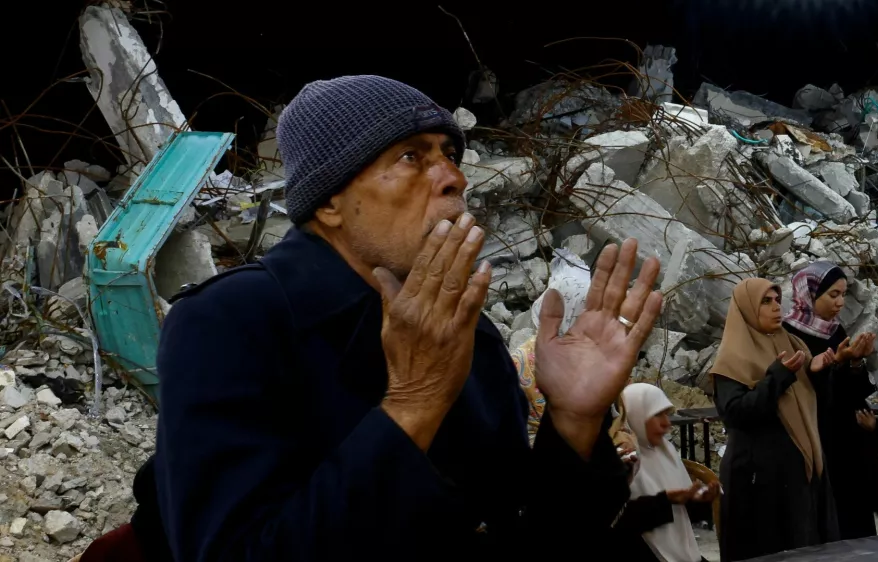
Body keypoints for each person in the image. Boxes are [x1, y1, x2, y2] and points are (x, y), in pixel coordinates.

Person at [142, 75, 666, 561]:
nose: (454, 177)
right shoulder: (232, 322)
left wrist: (573, 421)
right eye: (412, 157)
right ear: (330, 201)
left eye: (450, 155)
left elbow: (538, 537)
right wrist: (413, 405)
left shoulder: (471, 334)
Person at [710, 278, 838, 562]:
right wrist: (777, 377)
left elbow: (815, 406)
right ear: (746, 310)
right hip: (758, 483)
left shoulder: (793, 345)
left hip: (800, 476)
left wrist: (817, 373)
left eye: (777, 300)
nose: (775, 307)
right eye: (765, 302)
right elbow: (736, 414)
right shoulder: (733, 358)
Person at [782, 262, 878, 539]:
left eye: (843, 295)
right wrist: (833, 364)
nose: (840, 303)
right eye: (832, 295)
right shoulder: (788, 335)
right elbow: (796, 389)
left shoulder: (835, 332)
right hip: (815, 439)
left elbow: (849, 391)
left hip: (845, 443)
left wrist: (855, 363)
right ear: (810, 294)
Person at [616, 382, 717, 562]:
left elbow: (682, 519)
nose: (666, 423)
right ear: (636, 415)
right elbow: (619, 523)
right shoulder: (622, 461)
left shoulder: (666, 452)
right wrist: (666, 500)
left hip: (682, 553)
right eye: (657, 415)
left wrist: (699, 501)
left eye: (667, 415)